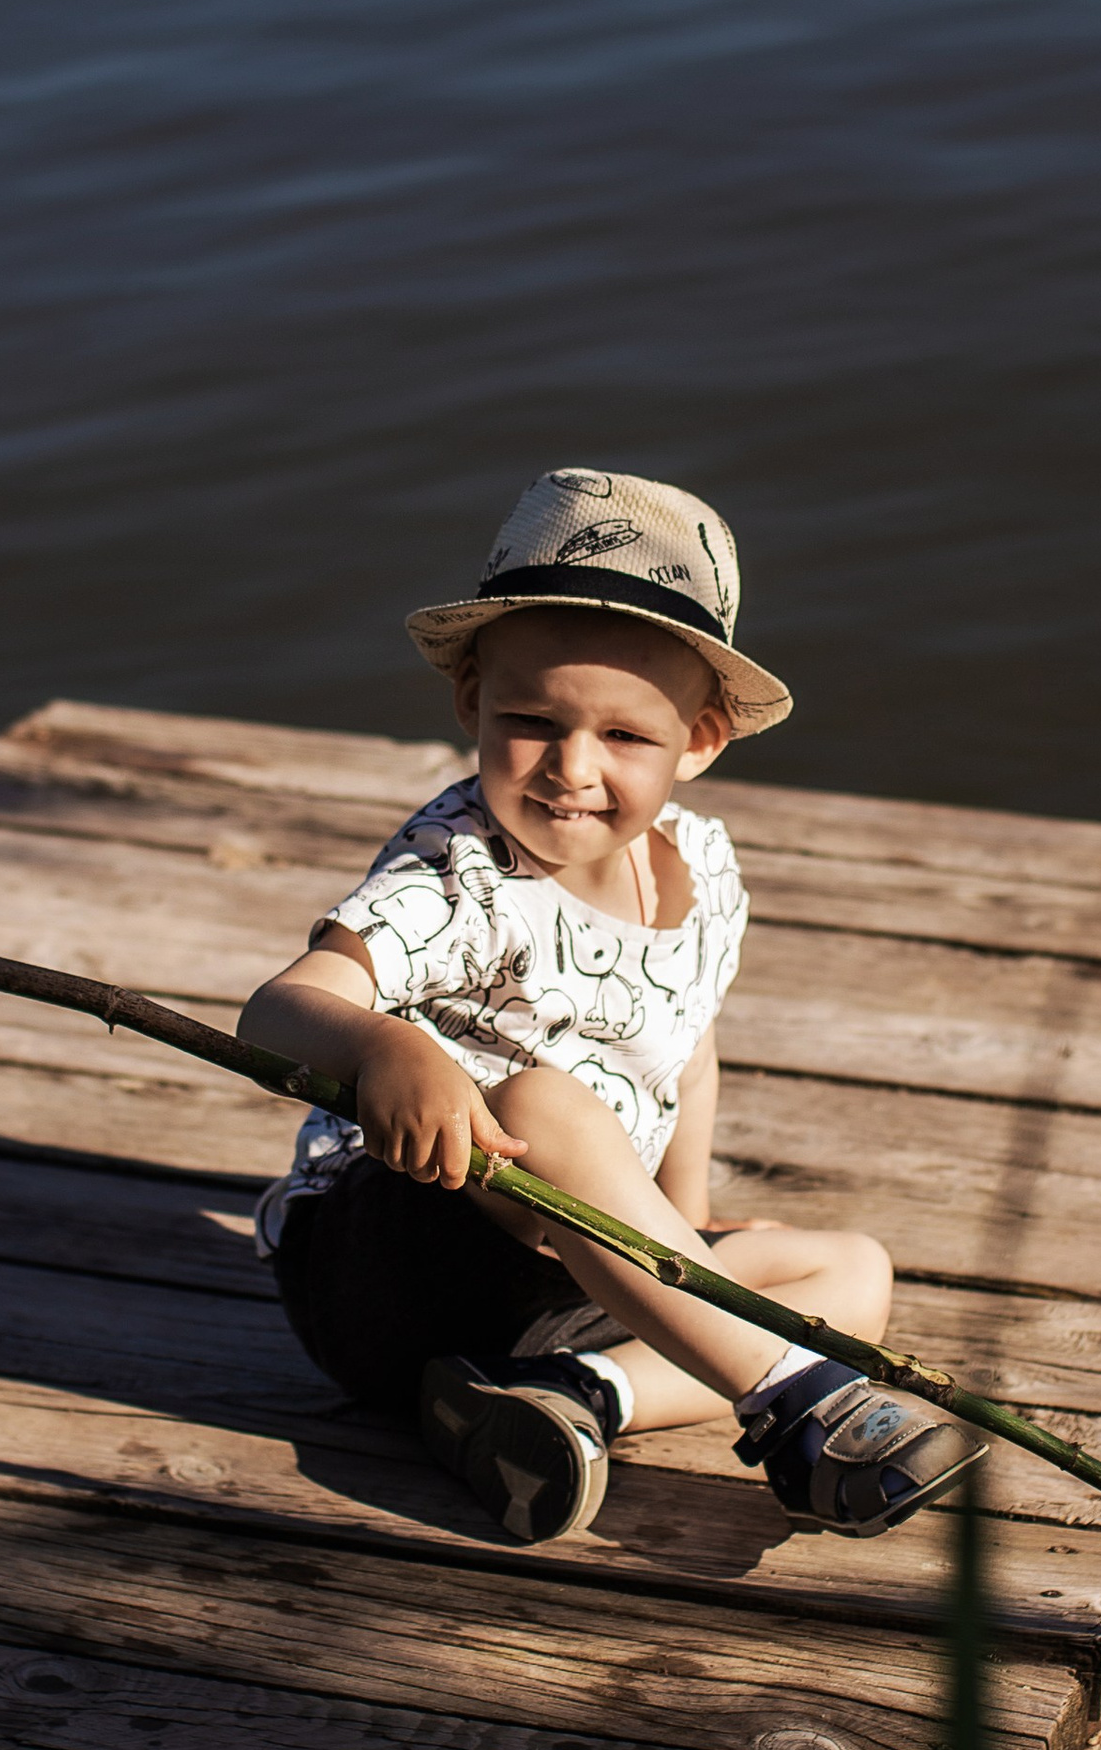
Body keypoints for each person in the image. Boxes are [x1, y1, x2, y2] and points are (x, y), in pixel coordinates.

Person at [241, 466, 986, 1546]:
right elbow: (276, 1011)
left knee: (852, 1276)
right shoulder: (458, 872)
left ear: (699, 741)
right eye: (530, 721)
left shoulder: (705, 868)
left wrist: (679, 1230)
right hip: (399, 1260)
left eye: (625, 738)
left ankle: (570, 1400)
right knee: (542, 1106)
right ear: (471, 705)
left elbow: (690, 1053)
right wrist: (382, 1046)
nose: (570, 770)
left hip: (566, 1272)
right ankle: (788, 1404)